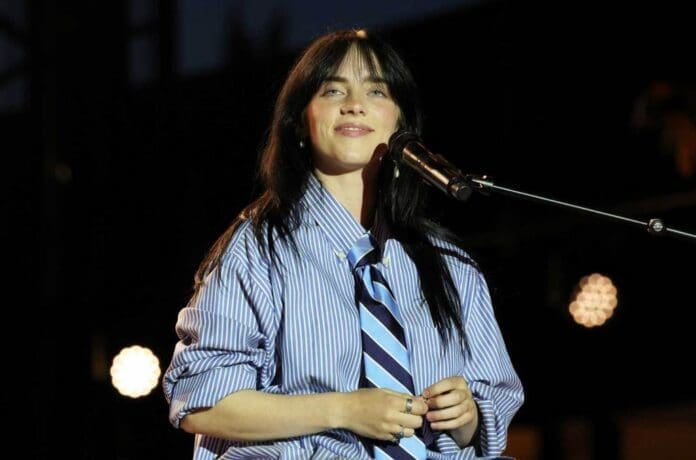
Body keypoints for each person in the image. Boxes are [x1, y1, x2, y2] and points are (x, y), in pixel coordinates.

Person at [162, 28, 524, 460]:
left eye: (376, 90)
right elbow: (201, 400)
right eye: (333, 90)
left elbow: (487, 417)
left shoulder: (449, 264)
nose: (355, 103)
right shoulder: (259, 247)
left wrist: (466, 418)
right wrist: (343, 409)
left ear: (401, 124)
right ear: (301, 121)